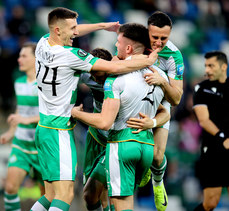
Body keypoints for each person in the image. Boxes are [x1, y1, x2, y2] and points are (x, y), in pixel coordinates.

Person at [30, 7, 159, 211]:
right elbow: (114, 68)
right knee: (64, 196)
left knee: (50, 195)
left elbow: (71, 31)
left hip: (43, 128)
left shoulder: (43, 43)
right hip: (58, 132)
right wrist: (148, 60)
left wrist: (102, 26)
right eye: (72, 28)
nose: (76, 32)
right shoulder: (71, 55)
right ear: (58, 30)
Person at [71, 23, 170, 211]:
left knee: (114, 199)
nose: (98, 79)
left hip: (119, 141)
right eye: (94, 76)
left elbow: (105, 122)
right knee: (90, 196)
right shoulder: (89, 75)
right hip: (102, 138)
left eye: (101, 74)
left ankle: (158, 179)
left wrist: (75, 113)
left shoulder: (117, 79)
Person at [129, 11, 184, 211]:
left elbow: (176, 98)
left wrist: (162, 81)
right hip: (133, 99)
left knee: (158, 157)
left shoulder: (174, 56)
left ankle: (158, 183)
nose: (159, 42)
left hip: (160, 103)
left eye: (164, 38)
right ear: (147, 31)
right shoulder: (135, 43)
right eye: (155, 37)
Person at [0, 42, 44, 211]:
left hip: (41, 147)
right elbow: (21, 109)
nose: (19, 59)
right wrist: (11, 132)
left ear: (35, 59)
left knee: (45, 194)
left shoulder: (44, 84)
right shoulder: (18, 82)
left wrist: (28, 120)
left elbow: (52, 113)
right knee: (10, 188)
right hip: (21, 145)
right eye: (19, 56)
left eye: (24, 56)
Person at [193, 51, 229, 211]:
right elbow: (204, 120)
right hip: (212, 149)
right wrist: (223, 137)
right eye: (206, 66)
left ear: (224, 66)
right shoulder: (202, 88)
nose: (207, 70)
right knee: (210, 203)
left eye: (211, 66)